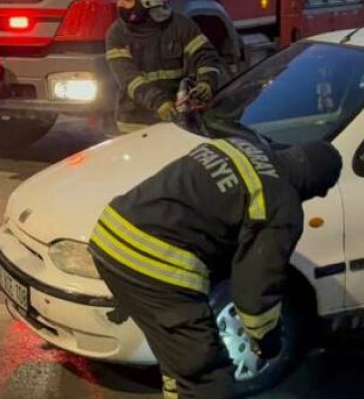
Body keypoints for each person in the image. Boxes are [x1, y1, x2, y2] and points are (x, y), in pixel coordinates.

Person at [90, 137, 343, 399]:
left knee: (179, 362)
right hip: (155, 266)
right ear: (316, 183)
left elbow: (213, 224)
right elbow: (256, 288)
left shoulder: (239, 146)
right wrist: (267, 342)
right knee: (208, 376)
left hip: (110, 238)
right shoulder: (281, 200)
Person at [104, 0, 224, 134]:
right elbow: (129, 78)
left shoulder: (180, 26)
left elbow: (205, 56)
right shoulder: (117, 34)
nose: (119, 4)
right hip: (135, 126)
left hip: (178, 122)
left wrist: (206, 82)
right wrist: (160, 102)